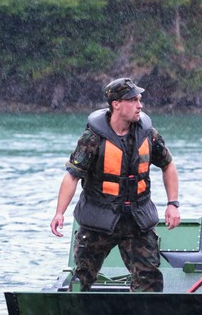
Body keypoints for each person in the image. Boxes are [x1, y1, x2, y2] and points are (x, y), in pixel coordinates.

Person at [50, 77, 181, 292]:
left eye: (140, 99)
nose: (140, 105)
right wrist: (59, 213)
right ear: (116, 104)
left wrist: (173, 204)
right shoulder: (92, 139)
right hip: (98, 220)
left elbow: (168, 165)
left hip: (136, 220)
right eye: (133, 100)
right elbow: (72, 176)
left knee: (149, 279)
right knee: (82, 277)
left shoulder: (148, 134)